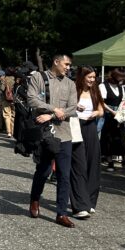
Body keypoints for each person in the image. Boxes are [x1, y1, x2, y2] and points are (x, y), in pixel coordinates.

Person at [27, 54, 78, 227]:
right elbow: (32, 99)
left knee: (64, 175)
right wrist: (54, 109)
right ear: (56, 62)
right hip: (45, 134)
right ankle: (34, 199)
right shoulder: (38, 77)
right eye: (66, 64)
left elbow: (73, 108)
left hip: (64, 134)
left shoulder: (71, 84)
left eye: (70, 65)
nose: (68, 67)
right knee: (43, 170)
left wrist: (50, 114)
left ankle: (61, 213)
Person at [70, 67, 105, 219]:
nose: (92, 80)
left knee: (93, 164)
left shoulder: (95, 90)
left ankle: (90, 201)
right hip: (75, 127)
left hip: (90, 127)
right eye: (89, 77)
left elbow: (101, 109)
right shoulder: (73, 89)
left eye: (93, 77)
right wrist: (75, 107)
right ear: (82, 77)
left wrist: (96, 113)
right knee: (78, 166)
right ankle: (79, 203)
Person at [0, 70, 16, 138]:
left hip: (5, 100)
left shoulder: (4, 80)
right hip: (14, 100)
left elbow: (2, 89)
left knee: (7, 115)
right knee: (13, 116)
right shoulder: (15, 80)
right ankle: (13, 131)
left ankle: (8, 132)